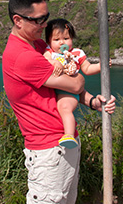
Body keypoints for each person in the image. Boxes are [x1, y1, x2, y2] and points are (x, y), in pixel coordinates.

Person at [2, 0, 116, 204]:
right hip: (49, 149)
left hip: (62, 144)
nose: (44, 25)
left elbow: (70, 89)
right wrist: (79, 79)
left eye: (46, 17)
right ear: (18, 20)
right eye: (38, 20)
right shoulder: (24, 56)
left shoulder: (40, 45)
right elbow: (75, 84)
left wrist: (95, 102)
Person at [43, 18, 111, 149]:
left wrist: (100, 66)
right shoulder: (49, 52)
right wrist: (54, 62)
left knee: (64, 108)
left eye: (66, 38)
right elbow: (45, 60)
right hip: (56, 88)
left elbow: (87, 69)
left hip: (67, 92)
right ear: (49, 41)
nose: (62, 42)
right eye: (56, 40)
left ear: (72, 38)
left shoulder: (77, 53)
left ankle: (69, 135)